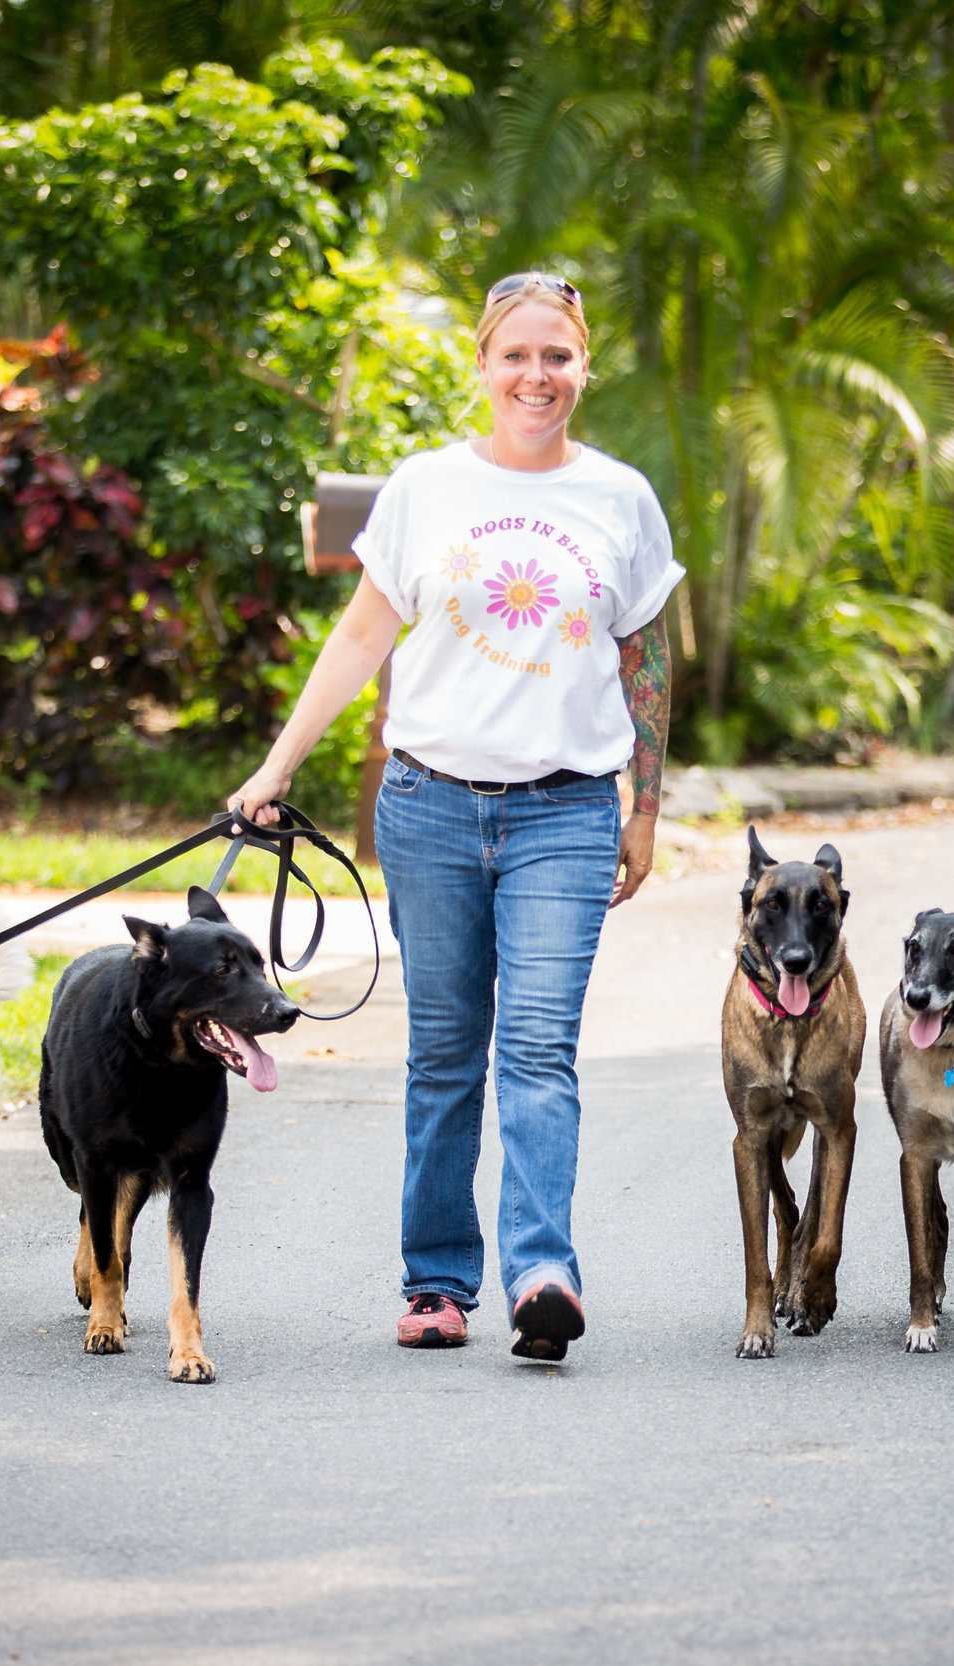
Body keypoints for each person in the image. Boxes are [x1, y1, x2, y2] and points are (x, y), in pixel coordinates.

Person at [229, 272, 677, 1363]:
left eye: (557, 357)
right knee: (442, 1055)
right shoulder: (426, 487)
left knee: (536, 1047)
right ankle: (435, 1282)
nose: (537, 376)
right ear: (480, 365)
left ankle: (540, 1272)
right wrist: (276, 767)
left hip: (566, 813)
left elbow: (647, 656)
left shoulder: (620, 498)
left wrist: (645, 808)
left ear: (583, 368)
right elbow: (358, 640)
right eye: (516, 355)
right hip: (427, 807)